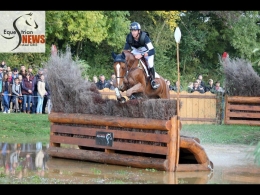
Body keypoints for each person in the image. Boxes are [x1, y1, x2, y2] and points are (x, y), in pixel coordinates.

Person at [123, 21, 159, 89]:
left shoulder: (145, 37)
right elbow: (126, 50)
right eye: (132, 30)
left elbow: (152, 51)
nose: (133, 32)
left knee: (150, 64)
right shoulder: (129, 37)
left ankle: (153, 81)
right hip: (136, 51)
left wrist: (142, 55)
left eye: (135, 30)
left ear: (139, 31)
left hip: (147, 52)